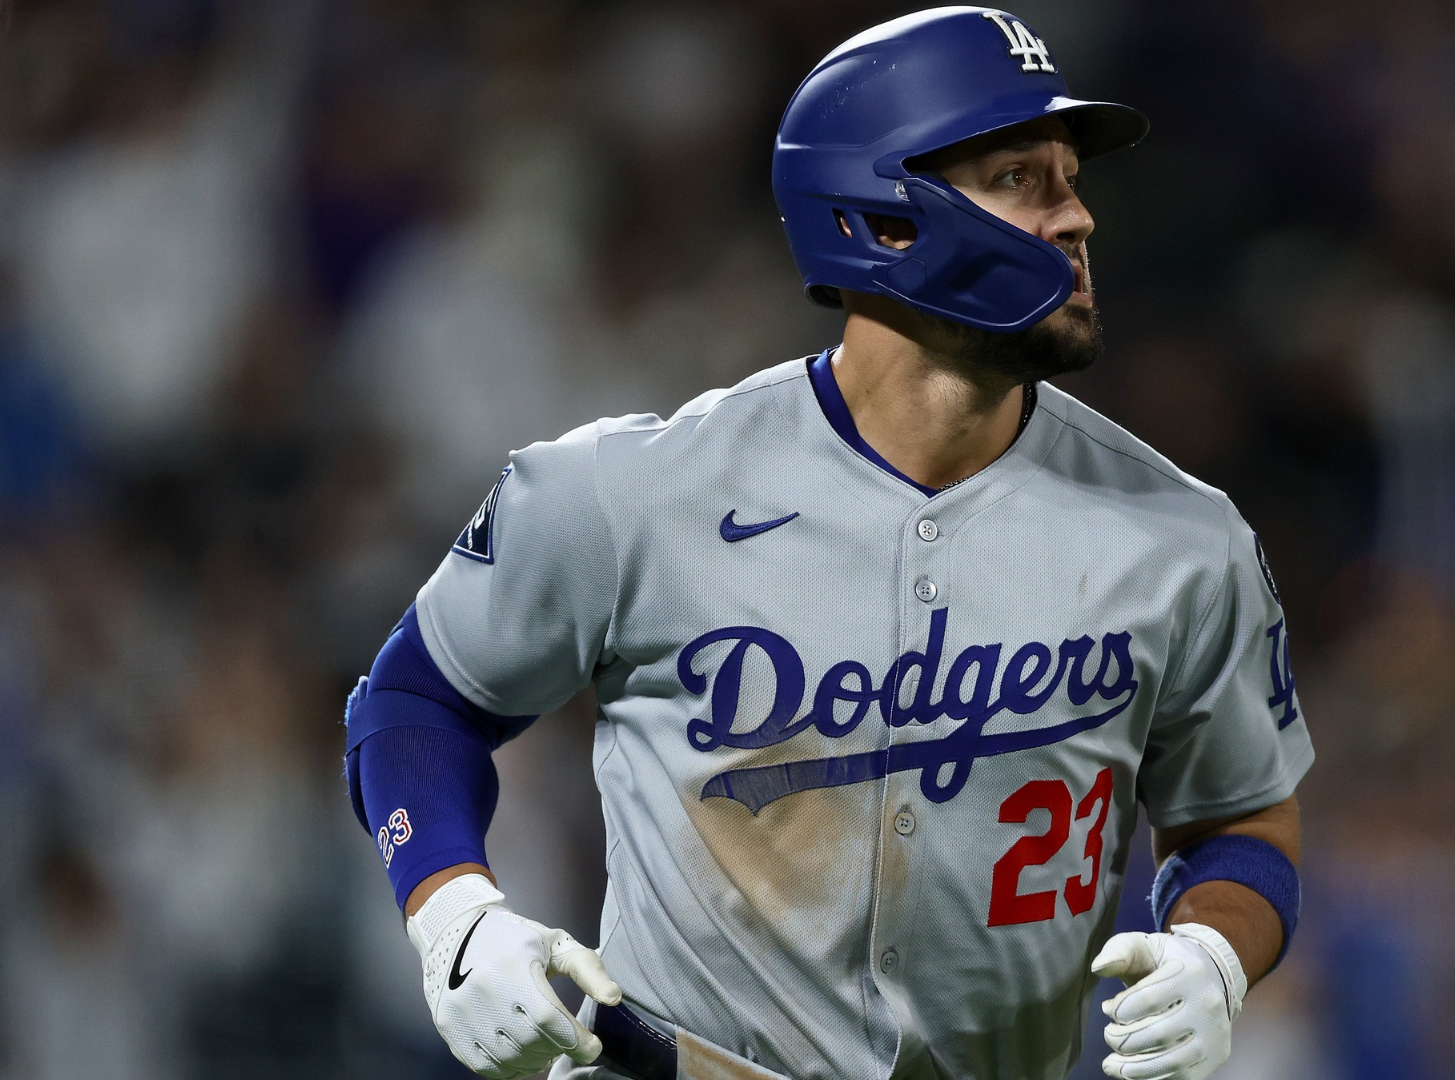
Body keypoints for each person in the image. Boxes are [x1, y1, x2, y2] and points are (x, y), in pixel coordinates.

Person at [342, 9, 1312, 1080]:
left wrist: (1217, 953)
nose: (1077, 218)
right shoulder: (636, 492)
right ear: (884, 222)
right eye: (1018, 178)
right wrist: (457, 921)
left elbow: (1242, 821)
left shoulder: (1184, 536)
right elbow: (415, 703)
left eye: (1071, 179)